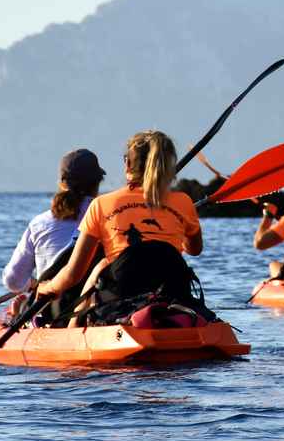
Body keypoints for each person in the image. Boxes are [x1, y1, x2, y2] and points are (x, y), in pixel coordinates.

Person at [36, 130, 203, 317]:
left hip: (121, 296)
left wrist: (48, 287)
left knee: (101, 266)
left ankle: (73, 326)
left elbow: (73, 273)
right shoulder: (184, 202)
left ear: (128, 164)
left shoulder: (102, 204)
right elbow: (194, 249)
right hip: (174, 292)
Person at [0, 149, 105, 324]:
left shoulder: (39, 223)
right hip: (95, 311)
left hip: (51, 311)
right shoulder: (109, 219)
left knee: (19, 307)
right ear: (98, 183)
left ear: (62, 184)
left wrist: (32, 285)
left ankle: (22, 311)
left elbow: (13, 281)